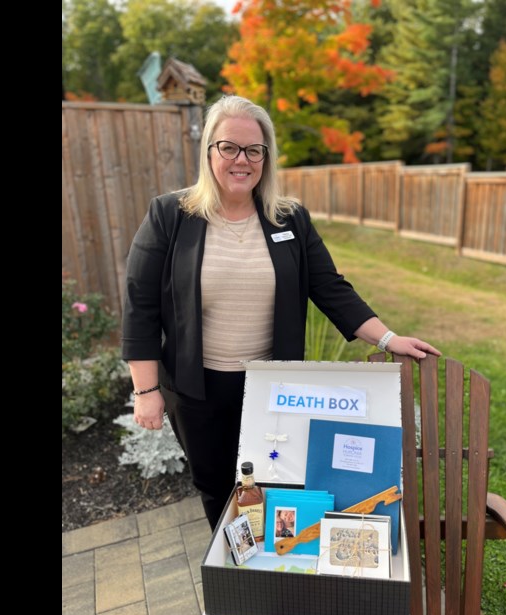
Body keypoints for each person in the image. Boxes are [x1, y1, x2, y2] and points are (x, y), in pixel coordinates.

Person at [122, 95, 441, 530]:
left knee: (276, 483)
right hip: (197, 390)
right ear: (209, 151)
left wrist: (388, 339)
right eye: (229, 147)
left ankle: (278, 573)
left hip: (274, 387)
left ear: (266, 157)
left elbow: (330, 287)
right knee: (217, 487)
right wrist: (145, 391)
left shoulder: (288, 219)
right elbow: (139, 306)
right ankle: (234, 573)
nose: (242, 160)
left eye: (254, 150)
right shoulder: (170, 216)